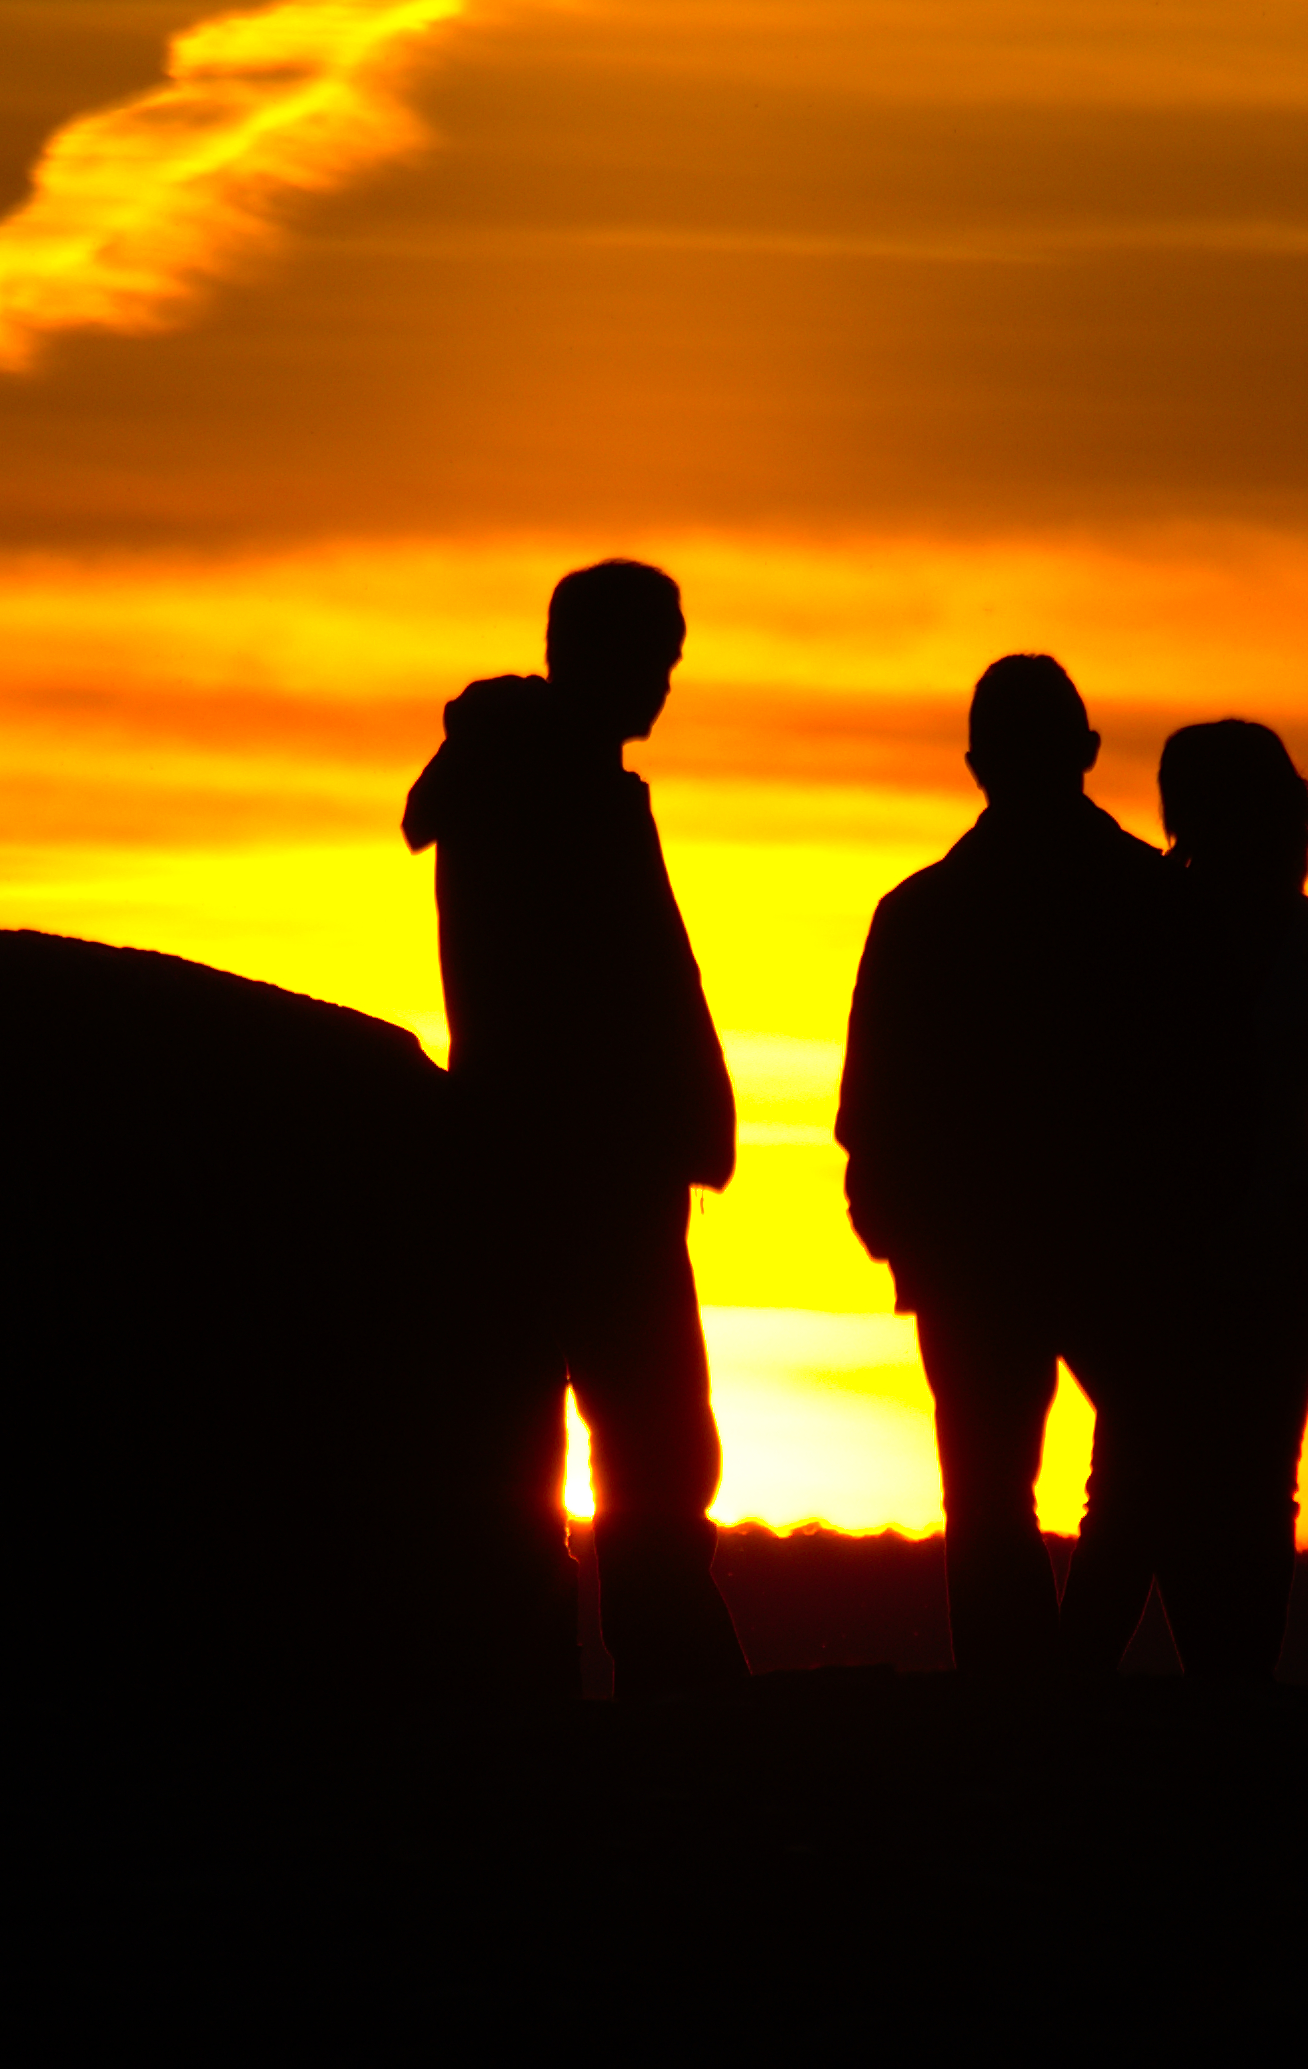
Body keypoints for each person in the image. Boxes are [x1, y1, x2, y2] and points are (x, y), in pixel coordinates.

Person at [401, 558, 752, 1699]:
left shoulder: (533, 777)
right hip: (585, 1156)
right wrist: (670, 1110)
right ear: (591, 653)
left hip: (557, 1151)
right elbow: (608, 981)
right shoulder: (557, 789)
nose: (662, 683)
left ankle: (568, 1657)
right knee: (643, 1433)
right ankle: (651, 1665)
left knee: (574, 1429)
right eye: (651, 657)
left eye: (669, 660)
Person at [835, 655, 1219, 1681]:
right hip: (1078, 1239)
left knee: (1051, 1479)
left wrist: (894, 1217)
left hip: (1032, 1241)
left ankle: (1046, 1683)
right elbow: (870, 1110)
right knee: (1133, 1461)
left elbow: (869, 1109)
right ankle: (1066, 1683)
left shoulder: (925, 912)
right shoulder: (1154, 901)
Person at [1054, 718, 1308, 1687]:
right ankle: (1140, 1690)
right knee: (1146, 1480)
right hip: (1154, 1259)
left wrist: (1291, 1204)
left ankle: (1191, 1690)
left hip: (1267, 1263)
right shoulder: (1130, 931)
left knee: (1227, 1483)